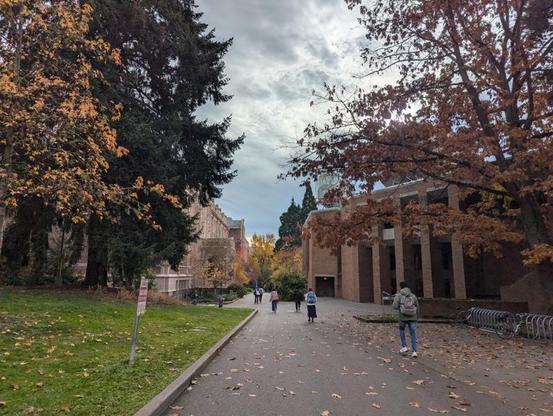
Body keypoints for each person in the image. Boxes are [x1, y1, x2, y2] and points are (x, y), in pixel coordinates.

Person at [392, 281, 419, 358]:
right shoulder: (413, 295)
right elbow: (417, 306)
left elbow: (394, 306)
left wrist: (400, 307)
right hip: (412, 316)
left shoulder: (399, 295)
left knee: (401, 330)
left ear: (400, 287)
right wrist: (417, 317)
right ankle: (414, 351)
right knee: (413, 333)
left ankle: (404, 347)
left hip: (402, 317)